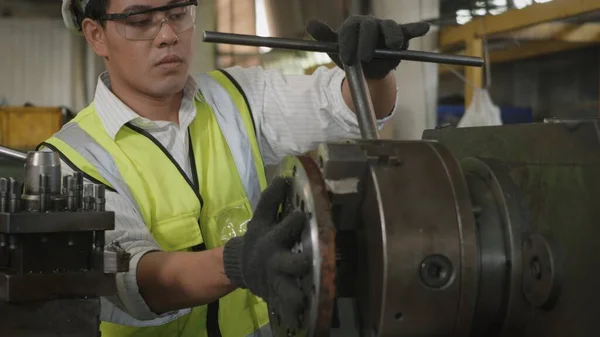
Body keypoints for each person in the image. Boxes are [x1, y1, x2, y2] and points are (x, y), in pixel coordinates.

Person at [41, 0, 430, 336]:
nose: (167, 35)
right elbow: (133, 279)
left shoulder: (237, 97)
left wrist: (372, 73)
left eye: (178, 13)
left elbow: (350, 106)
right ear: (96, 35)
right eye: (140, 21)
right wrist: (235, 265)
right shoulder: (70, 160)